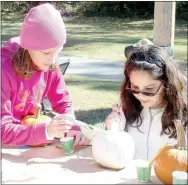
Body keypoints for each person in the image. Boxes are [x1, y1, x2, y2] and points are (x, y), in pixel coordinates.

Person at [1, 3, 90, 147]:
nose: (53, 59)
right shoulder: (3, 69)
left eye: (58, 51)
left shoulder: (50, 63)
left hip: (31, 139)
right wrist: (46, 132)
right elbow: (2, 129)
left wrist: (71, 126)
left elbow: (63, 102)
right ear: (28, 47)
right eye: (47, 53)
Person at [105, 44, 187, 160]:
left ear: (168, 83)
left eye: (149, 89)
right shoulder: (127, 109)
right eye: (134, 87)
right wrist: (114, 131)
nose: (140, 95)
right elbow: (114, 157)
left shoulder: (184, 116)